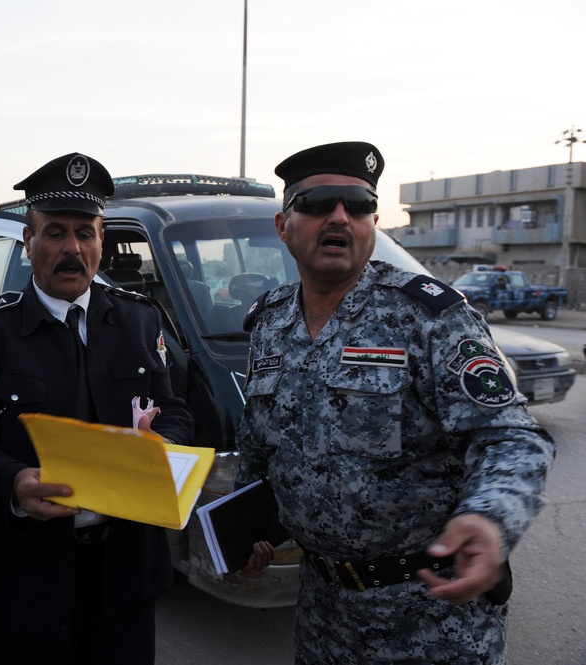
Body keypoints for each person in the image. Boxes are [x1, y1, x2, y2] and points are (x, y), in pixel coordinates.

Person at [235, 141, 555, 663]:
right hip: (322, 611)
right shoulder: (270, 322)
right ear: (283, 225)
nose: (340, 216)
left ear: (373, 222)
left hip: (431, 616)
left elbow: (512, 437)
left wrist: (489, 518)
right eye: (317, 203)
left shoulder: (430, 316)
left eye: (358, 205)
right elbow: (256, 443)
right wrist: (245, 527)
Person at [0, 152, 194, 664]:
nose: (72, 248)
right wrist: (12, 482)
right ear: (28, 242)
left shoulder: (140, 321)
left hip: (124, 574)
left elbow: (177, 412)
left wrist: (162, 446)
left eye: (86, 232)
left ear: (102, 241)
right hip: (28, 575)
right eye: (55, 232)